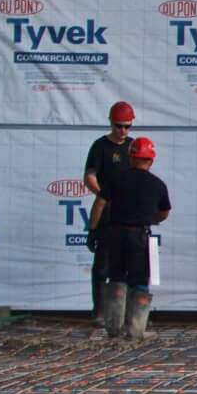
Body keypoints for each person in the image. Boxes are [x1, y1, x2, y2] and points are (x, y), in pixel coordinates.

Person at [91, 136, 170, 340]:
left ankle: (113, 328)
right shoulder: (157, 184)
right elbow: (164, 213)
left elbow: (99, 204)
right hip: (140, 237)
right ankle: (136, 329)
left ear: (130, 157)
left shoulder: (117, 179)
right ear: (151, 160)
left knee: (116, 277)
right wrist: (147, 218)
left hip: (116, 235)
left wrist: (93, 230)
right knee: (140, 282)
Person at [83, 101, 136, 317]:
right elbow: (89, 177)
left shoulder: (134, 146)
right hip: (106, 211)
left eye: (127, 126)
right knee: (102, 265)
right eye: (118, 126)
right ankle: (100, 310)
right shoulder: (100, 147)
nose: (122, 131)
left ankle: (123, 312)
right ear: (110, 123)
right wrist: (104, 195)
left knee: (129, 266)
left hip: (129, 213)